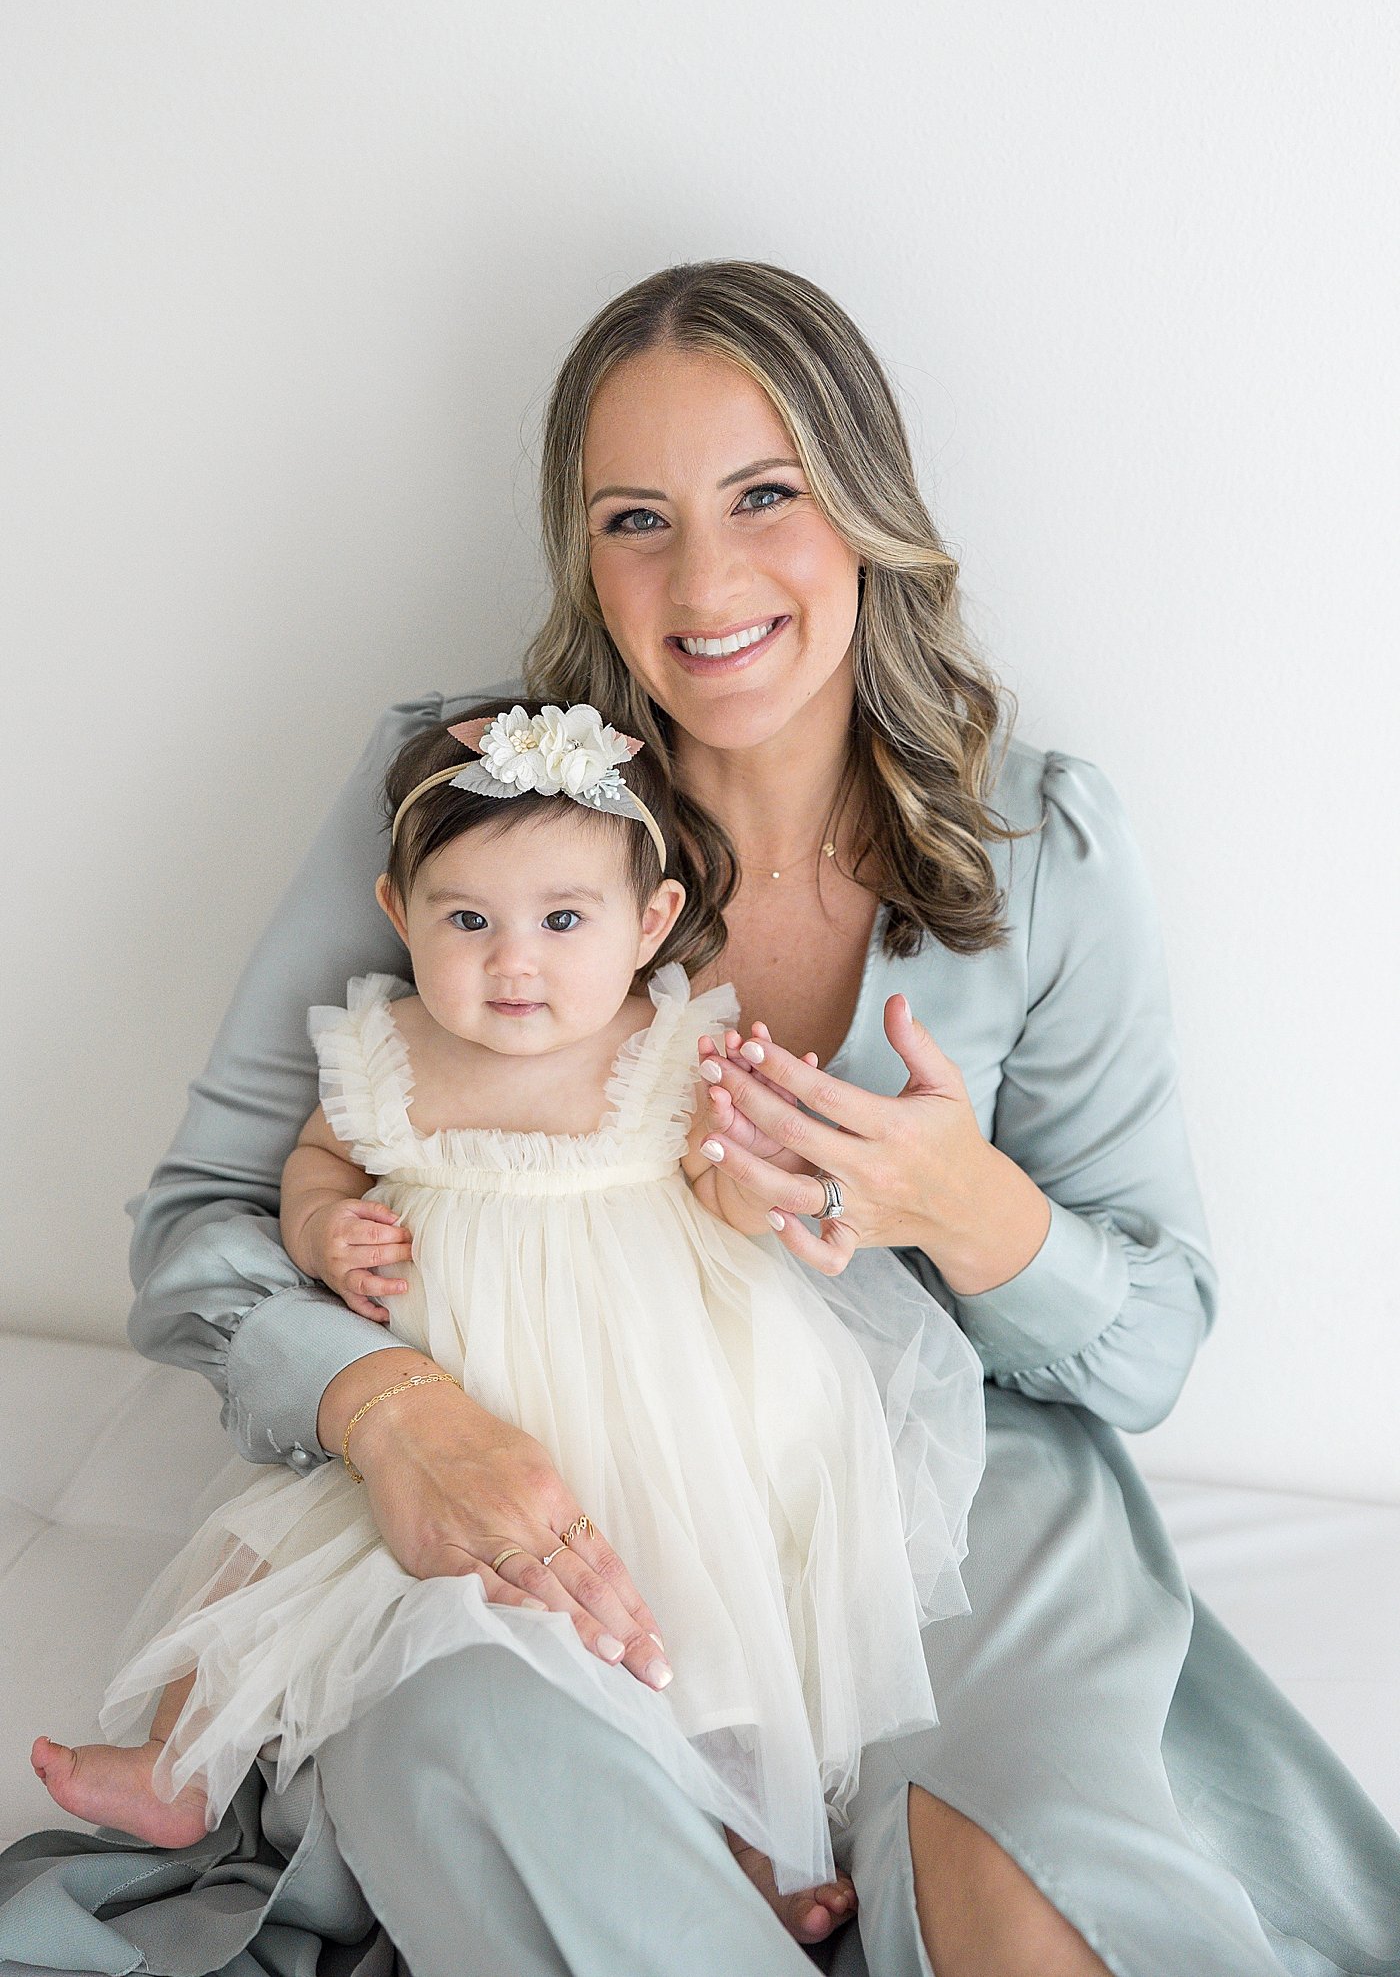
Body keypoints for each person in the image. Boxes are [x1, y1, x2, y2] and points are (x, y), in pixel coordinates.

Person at [2, 259, 1397, 1977]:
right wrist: (386, 1403)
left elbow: (1152, 1339)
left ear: (870, 508)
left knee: (1028, 1913)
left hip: (940, 1489)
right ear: (581, 553)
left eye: (765, 495)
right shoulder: (471, 815)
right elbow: (205, 1220)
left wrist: (971, 1211)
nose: (708, 577)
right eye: (636, 518)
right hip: (530, 1457)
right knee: (476, 1774)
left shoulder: (1043, 849)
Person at [27, 699, 986, 1942]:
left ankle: (752, 1836)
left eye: (561, 921)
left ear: (649, 926)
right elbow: (316, 1166)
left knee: (700, 1602)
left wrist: (746, 1183)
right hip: (448, 1398)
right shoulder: (386, 1048)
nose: (511, 960)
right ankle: (175, 1762)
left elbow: (725, 1181)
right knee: (272, 1546)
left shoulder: (664, 1046)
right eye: (467, 920)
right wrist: (324, 1230)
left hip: (647, 1389)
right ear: (397, 913)